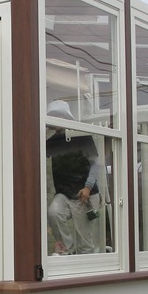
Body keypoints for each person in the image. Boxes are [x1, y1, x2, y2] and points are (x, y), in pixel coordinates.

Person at [45, 99, 102, 255]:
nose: (56, 119)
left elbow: (95, 163)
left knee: (85, 240)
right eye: (53, 117)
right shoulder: (53, 141)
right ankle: (67, 250)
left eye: (58, 116)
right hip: (64, 192)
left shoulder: (81, 136)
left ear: (66, 118)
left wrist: (88, 187)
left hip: (84, 193)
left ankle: (86, 265)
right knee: (54, 213)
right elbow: (37, 152)